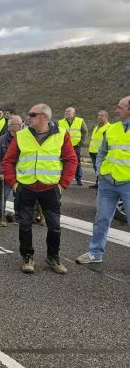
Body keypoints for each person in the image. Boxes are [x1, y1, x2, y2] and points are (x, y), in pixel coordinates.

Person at [1, 104, 77, 274]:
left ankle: (53, 257)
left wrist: (62, 185)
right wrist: (14, 183)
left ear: (44, 117)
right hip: (25, 187)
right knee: (25, 225)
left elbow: (71, 160)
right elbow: (8, 161)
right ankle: (27, 257)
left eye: (32, 115)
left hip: (50, 188)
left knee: (54, 226)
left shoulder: (61, 135)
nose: (28, 117)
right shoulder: (21, 135)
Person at [76, 96, 130, 265]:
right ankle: (95, 252)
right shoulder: (112, 129)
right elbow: (102, 152)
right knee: (101, 219)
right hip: (107, 182)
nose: (116, 110)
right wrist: (99, 170)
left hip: (128, 183)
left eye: (120, 107)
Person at [0, 115, 23, 226]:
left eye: (21, 124)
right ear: (10, 126)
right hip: (6, 174)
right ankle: (1, 217)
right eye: (17, 124)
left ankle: (19, 216)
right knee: (2, 196)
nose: (21, 126)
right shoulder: (1, 140)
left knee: (20, 196)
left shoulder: (26, 139)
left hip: (22, 174)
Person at [58, 107, 87, 186]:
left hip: (75, 146)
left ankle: (78, 179)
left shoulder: (80, 121)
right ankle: (62, 179)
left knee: (76, 162)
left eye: (69, 111)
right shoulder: (60, 122)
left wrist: (81, 142)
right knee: (63, 162)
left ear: (74, 113)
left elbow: (85, 132)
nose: (66, 112)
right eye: (66, 111)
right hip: (63, 146)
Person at [88, 110, 111, 189]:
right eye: (99, 115)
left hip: (101, 152)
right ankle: (98, 183)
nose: (99, 117)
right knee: (96, 168)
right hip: (93, 151)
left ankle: (102, 184)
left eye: (102, 116)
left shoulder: (109, 127)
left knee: (101, 168)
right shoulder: (97, 127)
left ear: (106, 117)